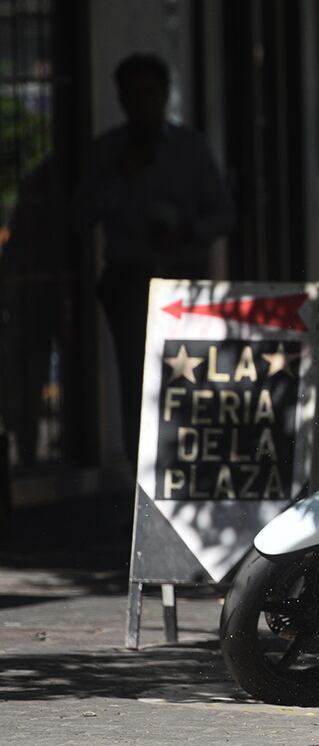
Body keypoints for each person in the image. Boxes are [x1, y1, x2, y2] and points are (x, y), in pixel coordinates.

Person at [73, 53, 235, 461]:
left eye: (150, 92)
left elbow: (223, 213)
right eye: (132, 94)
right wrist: (119, 178)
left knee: (190, 374)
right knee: (136, 376)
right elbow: (79, 216)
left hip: (183, 276)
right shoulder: (107, 151)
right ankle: (140, 466)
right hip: (130, 278)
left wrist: (188, 231)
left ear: (164, 95)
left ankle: (188, 461)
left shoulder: (189, 147)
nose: (142, 103)